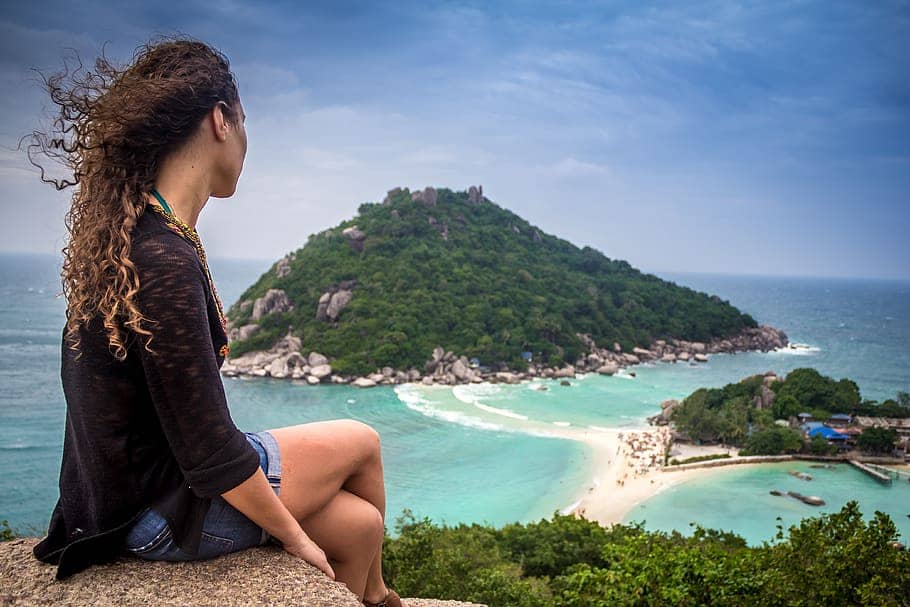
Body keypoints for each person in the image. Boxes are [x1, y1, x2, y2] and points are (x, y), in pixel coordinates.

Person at [28, 37, 407, 607]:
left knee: (357, 527)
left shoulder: (131, 241)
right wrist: (294, 537)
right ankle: (379, 598)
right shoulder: (163, 258)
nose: (249, 142)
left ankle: (369, 590)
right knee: (362, 439)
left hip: (117, 503)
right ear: (219, 121)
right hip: (159, 515)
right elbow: (209, 450)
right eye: (245, 121)